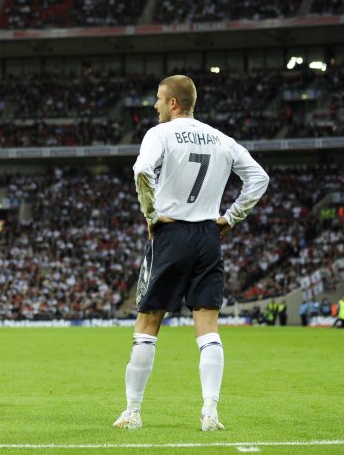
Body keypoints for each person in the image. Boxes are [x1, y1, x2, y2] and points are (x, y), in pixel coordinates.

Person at [113, 74, 269, 432]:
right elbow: (259, 178)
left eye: (157, 99)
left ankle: (133, 412)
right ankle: (210, 412)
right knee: (209, 327)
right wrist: (231, 218)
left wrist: (150, 214)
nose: (154, 106)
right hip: (208, 235)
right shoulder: (222, 139)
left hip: (171, 232)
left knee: (148, 324)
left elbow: (141, 171)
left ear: (172, 103)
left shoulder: (160, 134)